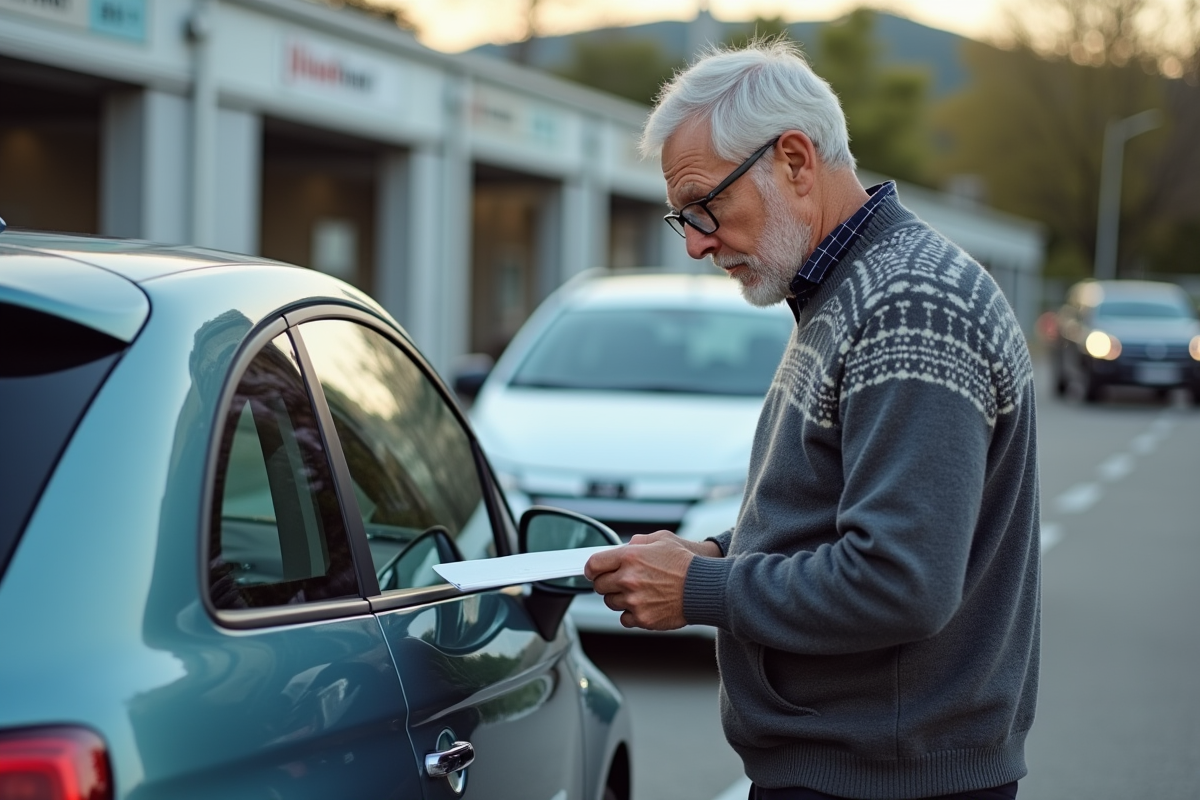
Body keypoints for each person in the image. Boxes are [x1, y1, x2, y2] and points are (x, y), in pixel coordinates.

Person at [584, 40, 1040, 800]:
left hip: (884, 782)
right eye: (682, 218)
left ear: (795, 160)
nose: (696, 243)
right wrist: (714, 551)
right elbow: (834, 512)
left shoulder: (909, 308)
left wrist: (701, 588)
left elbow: (901, 582)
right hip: (867, 769)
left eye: (706, 206)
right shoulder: (846, 291)